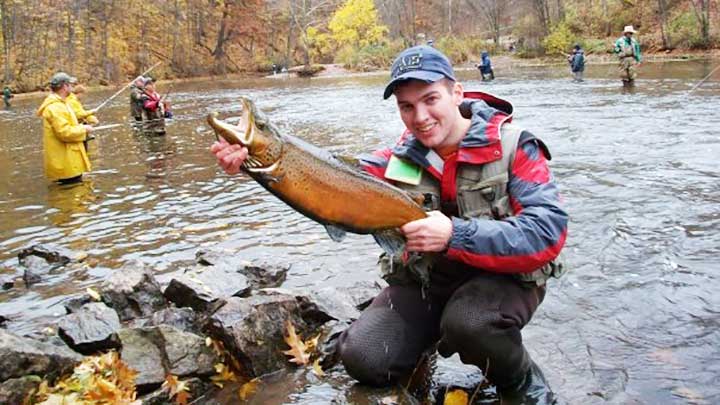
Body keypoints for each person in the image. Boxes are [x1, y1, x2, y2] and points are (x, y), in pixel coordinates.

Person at [210, 45, 568, 403]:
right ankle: (422, 351)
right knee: (364, 357)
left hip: (501, 281)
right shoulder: (399, 160)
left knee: (470, 324)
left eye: (430, 99)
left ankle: (521, 381)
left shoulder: (514, 146)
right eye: (406, 106)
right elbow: (326, 176)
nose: (421, 117)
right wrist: (252, 161)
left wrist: (454, 234)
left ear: (456, 93)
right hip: (429, 281)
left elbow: (547, 232)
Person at [37, 72, 93, 184]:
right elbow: (64, 132)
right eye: (70, 85)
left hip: (69, 161)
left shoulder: (62, 104)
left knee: (73, 195)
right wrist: (84, 129)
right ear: (64, 86)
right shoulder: (55, 107)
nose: (72, 87)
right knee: (74, 193)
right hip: (66, 163)